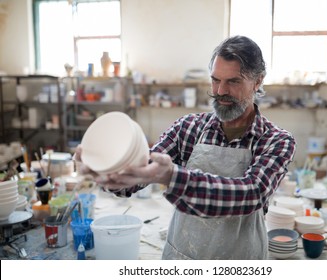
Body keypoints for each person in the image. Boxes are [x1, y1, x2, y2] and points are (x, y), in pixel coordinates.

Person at [74, 35, 296, 260]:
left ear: (258, 81)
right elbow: (139, 174)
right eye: (215, 80)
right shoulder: (187, 128)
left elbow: (251, 194)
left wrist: (172, 177)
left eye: (233, 81)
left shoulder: (276, 140)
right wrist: (106, 171)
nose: (220, 91)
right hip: (183, 257)